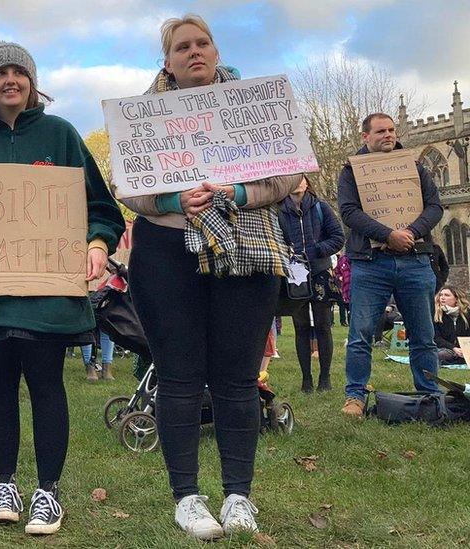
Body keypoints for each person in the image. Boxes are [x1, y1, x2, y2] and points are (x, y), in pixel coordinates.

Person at [118, 15, 300, 540]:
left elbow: (288, 172)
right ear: (167, 60)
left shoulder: (256, 105)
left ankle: (239, 496)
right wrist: (175, 199)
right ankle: (187, 498)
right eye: (182, 47)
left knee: (239, 378)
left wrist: (238, 193)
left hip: (244, 245)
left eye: (202, 43)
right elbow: (127, 186)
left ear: (216, 51)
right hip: (165, 248)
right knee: (177, 376)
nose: (194, 52)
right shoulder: (142, 117)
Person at [0, 41, 124, 535]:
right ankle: (5, 484)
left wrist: (98, 245)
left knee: (46, 386)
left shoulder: (62, 136)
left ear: (33, 81)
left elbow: (102, 208)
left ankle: (48, 493)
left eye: (19, 71)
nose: (10, 80)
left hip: (49, 299)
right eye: (1, 73)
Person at [338, 113, 443, 417]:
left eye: (392, 130)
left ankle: (430, 395)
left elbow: (435, 206)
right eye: (380, 131)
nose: (388, 135)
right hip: (371, 264)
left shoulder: (415, 165)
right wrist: (388, 235)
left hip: (415, 259)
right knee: (361, 334)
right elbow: (348, 212)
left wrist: (410, 233)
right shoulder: (350, 171)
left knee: (423, 335)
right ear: (365, 137)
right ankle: (355, 397)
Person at [278, 176, 345, 393]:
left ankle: (324, 378)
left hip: (319, 271)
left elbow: (337, 237)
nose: (297, 182)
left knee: (323, 325)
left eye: (301, 178)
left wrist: (314, 251)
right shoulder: (279, 210)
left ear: (307, 183)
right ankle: (306, 379)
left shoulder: (320, 208)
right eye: (293, 178)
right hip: (294, 273)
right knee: (301, 327)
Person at [434, 286, 470, 365]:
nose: (442, 298)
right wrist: (453, 348)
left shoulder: (467, 314)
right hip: (446, 348)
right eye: (441, 295)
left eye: (447, 295)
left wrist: (464, 349)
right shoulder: (436, 315)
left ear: (456, 299)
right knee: (439, 355)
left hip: (465, 348)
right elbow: (436, 337)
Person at [335, 252, 351, 326]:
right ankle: (345, 322)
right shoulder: (342, 259)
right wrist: (339, 277)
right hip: (345, 289)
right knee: (345, 306)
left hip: (355, 288)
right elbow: (337, 271)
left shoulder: (356, 259)